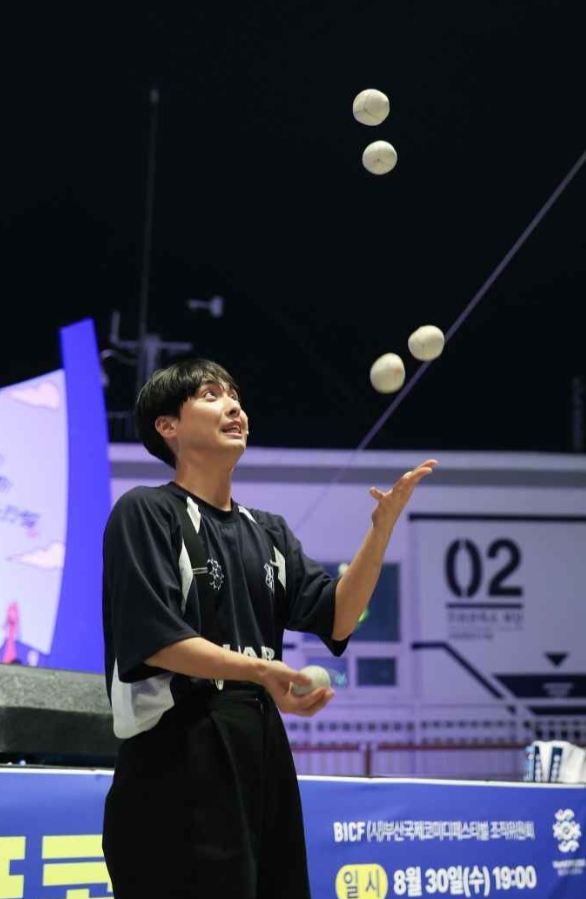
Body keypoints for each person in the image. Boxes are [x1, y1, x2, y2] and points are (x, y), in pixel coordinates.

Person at [101, 357, 437, 898]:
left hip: (262, 751)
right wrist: (262, 671)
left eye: (235, 396)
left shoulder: (269, 532)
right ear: (168, 427)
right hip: (176, 754)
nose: (234, 407)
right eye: (211, 395)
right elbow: (157, 640)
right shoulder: (146, 512)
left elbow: (338, 617)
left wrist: (380, 531)